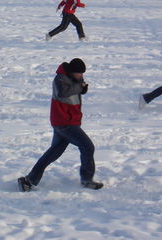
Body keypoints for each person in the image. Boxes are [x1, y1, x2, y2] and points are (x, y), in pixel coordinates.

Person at [18, 58, 103, 192]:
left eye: (82, 74)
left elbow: (76, 90)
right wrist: (79, 87)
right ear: (71, 72)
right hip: (64, 122)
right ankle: (87, 180)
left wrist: (83, 88)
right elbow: (63, 92)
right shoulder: (60, 79)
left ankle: (29, 180)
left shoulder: (74, 77)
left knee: (53, 153)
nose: (81, 76)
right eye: (79, 73)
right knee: (87, 147)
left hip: (68, 121)